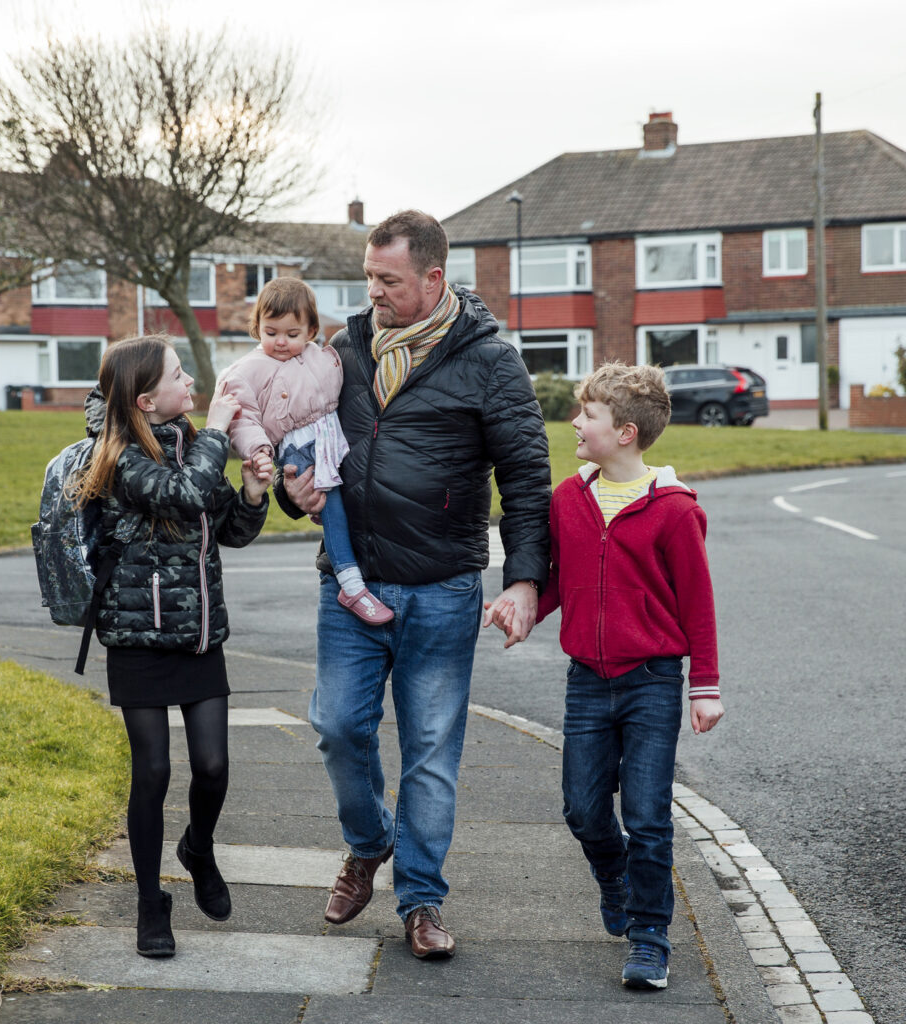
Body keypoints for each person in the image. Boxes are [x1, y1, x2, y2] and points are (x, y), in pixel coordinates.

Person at [277, 210, 551, 959]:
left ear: (434, 278)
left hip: (442, 588)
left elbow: (528, 476)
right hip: (351, 583)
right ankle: (369, 843)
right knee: (337, 725)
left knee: (431, 751)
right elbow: (301, 445)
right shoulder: (342, 351)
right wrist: (289, 491)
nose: (373, 294)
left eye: (387, 280)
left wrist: (524, 578)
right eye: (368, 278)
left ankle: (421, 902)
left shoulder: (491, 360)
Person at [521, 361, 724, 989]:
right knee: (582, 810)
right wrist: (524, 603)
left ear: (627, 432)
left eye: (589, 414)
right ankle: (614, 876)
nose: (576, 422)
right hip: (586, 680)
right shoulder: (568, 499)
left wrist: (706, 685)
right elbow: (561, 579)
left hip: (653, 681)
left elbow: (697, 602)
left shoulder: (674, 511)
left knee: (648, 815)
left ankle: (649, 938)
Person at [68, 334, 272, 958]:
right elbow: (180, 495)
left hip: (198, 632)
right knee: (152, 771)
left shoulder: (189, 442)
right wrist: (217, 432)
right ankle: (150, 903)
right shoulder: (120, 454)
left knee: (212, 766)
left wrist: (254, 492)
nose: (192, 383)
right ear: (147, 399)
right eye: (181, 376)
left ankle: (199, 848)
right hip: (137, 636)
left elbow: (224, 529)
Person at [218, 277, 392, 624]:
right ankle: (349, 581)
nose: (280, 342)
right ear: (257, 328)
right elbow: (243, 419)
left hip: (330, 437)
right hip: (299, 445)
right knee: (334, 506)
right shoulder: (246, 370)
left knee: (356, 494)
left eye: (292, 334)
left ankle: (366, 565)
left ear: (311, 330)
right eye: (271, 332)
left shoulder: (322, 354)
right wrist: (259, 450)